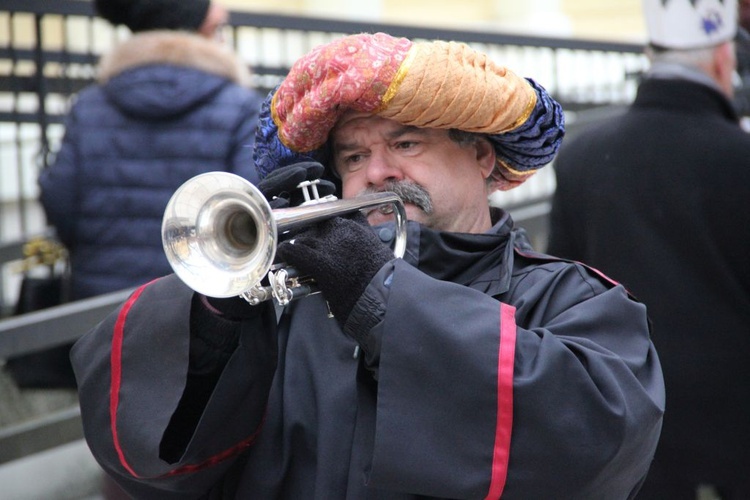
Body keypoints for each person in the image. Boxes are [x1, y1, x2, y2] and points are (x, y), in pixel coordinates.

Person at [71, 32, 664, 499]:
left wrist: (377, 292)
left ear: (482, 156)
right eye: (355, 155)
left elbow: (598, 447)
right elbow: (149, 465)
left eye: (407, 145)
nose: (377, 173)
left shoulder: (571, 298)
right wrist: (217, 316)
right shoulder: (287, 303)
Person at [547, 0, 750, 498]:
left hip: (627, 419)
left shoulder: (581, 157)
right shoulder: (741, 159)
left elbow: (559, 289)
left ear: (647, 56)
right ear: (725, 61)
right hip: (736, 422)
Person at [38, 0, 264, 301]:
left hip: (100, 311)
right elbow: (255, 205)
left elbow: (60, 202)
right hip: (199, 308)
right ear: (195, 24)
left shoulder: (89, 105)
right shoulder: (240, 106)